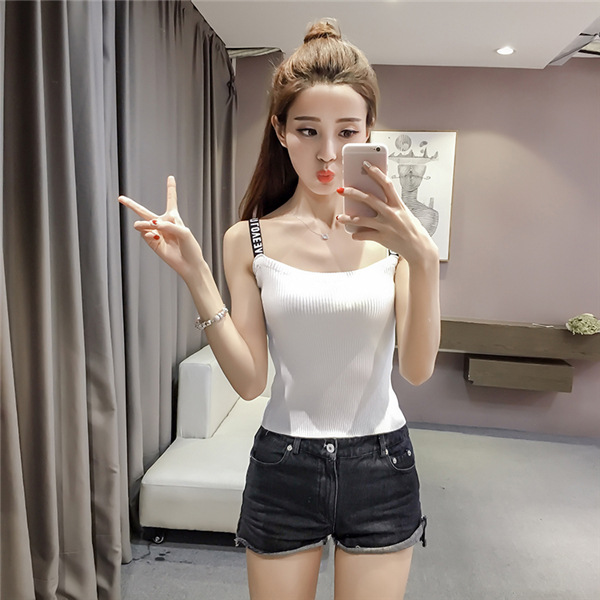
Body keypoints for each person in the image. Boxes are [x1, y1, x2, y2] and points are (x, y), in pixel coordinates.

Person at [119, 18, 440, 600]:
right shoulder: (247, 240)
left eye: (347, 131)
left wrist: (422, 259)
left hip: (382, 462)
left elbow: (417, 370)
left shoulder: (398, 242)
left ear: (369, 132)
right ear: (280, 131)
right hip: (284, 463)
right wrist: (195, 274)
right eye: (308, 130)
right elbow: (249, 382)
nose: (328, 153)